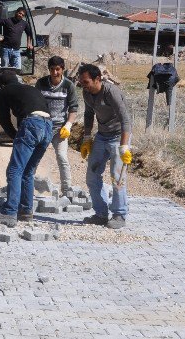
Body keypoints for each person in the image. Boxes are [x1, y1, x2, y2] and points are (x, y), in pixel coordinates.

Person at [0, 70, 54, 227]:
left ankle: (10, 213)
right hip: (48, 127)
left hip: (32, 124)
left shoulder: (3, 92)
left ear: (2, 85)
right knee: (28, 172)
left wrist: (15, 137)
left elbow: (4, 120)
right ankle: (26, 211)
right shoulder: (30, 89)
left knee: (14, 170)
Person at [76, 64, 133, 229]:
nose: (83, 85)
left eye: (86, 82)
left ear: (97, 79)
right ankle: (101, 214)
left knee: (117, 177)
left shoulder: (110, 92)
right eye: (81, 82)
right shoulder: (87, 93)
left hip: (118, 136)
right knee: (92, 176)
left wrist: (124, 146)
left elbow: (125, 119)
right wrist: (87, 138)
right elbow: (88, 114)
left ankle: (119, 215)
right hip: (101, 136)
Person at [34, 56, 80, 193]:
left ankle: (67, 190)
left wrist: (68, 125)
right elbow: (35, 103)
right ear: (49, 69)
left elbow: (73, 108)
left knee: (62, 158)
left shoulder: (68, 86)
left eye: (58, 69)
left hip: (60, 129)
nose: (55, 73)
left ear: (63, 69)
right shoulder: (41, 83)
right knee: (34, 157)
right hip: (43, 126)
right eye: (52, 69)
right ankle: (27, 186)